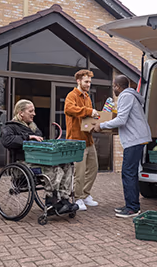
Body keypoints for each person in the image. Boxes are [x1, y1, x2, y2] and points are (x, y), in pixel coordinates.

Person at [0, 99, 78, 214]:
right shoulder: (10, 127)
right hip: (23, 164)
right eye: (31, 111)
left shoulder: (34, 128)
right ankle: (51, 203)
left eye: (34, 111)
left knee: (66, 165)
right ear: (21, 113)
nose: (34, 114)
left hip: (38, 161)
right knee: (54, 169)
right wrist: (28, 137)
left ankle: (64, 199)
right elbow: (7, 141)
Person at [93, 75, 152, 218]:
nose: (113, 89)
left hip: (134, 139)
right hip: (137, 138)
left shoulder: (126, 96)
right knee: (130, 173)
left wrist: (101, 125)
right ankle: (131, 205)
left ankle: (132, 208)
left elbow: (121, 119)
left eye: (114, 86)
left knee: (128, 173)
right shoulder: (131, 96)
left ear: (118, 86)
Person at [64, 70, 100, 211]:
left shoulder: (87, 97)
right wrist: (89, 111)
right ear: (78, 81)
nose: (88, 84)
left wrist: (96, 120)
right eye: (86, 81)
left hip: (88, 139)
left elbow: (88, 118)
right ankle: (77, 198)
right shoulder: (71, 95)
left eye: (90, 82)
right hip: (76, 140)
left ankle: (85, 195)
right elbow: (69, 109)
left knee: (93, 168)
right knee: (79, 172)